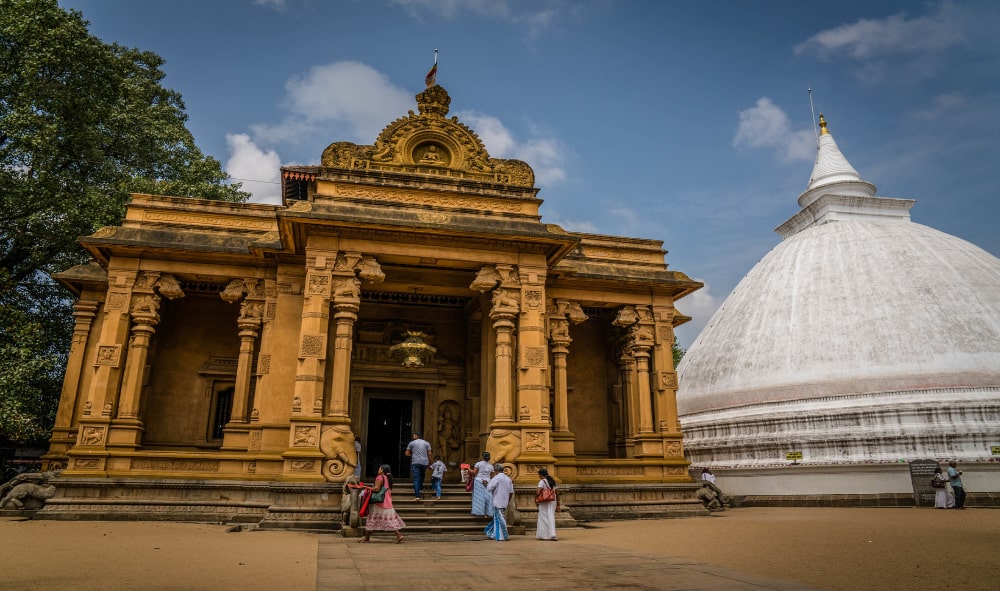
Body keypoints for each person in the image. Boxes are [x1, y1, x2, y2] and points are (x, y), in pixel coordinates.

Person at [359, 464, 405, 543]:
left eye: (379, 468)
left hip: (379, 502)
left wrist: (366, 488)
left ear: (382, 470)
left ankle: (398, 534)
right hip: (387, 501)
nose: (378, 469)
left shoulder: (379, 477)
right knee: (388, 519)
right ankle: (367, 537)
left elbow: (376, 489)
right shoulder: (388, 478)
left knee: (371, 518)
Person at [484, 463, 513, 541]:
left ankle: (503, 535)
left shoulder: (496, 478)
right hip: (505, 501)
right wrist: (508, 500)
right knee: (498, 518)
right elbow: (511, 492)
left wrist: (486, 484)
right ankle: (494, 533)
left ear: (496, 470)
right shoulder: (508, 479)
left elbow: (489, 488)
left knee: (500, 518)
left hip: (497, 501)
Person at [405, 431, 432, 500]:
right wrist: (430, 463)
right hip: (424, 462)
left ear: (417, 436)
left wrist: (413, 454)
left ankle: (417, 496)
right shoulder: (427, 443)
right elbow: (429, 454)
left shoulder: (411, 443)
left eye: (414, 435)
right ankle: (420, 487)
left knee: (416, 478)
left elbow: (407, 454)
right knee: (422, 475)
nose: (413, 436)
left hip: (416, 462)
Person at [535, 468, 558, 541]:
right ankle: (552, 534)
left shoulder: (542, 481)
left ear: (541, 475)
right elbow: (557, 493)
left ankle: (544, 535)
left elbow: (538, 492)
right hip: (553, 501)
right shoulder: (552, 481)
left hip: (544, 501)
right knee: (551, 516)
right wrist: (559, 504)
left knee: (543, 517)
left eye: (539, 475)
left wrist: (536, 500)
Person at [470, 452, 495, 519]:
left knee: (479, 497)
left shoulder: (478, 464)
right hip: (488, 482)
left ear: (482, 457)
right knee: (488, 497)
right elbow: (492, 476)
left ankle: (480, 512)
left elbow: (474, 473)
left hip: (479, 481)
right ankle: (488, 512)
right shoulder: (491, 466)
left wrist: (468, 469)